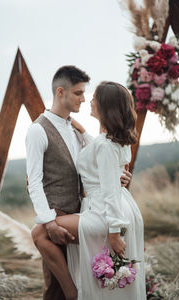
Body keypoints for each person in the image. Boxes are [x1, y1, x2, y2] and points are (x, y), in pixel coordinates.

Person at [30, 80, 146, 300]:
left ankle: (71, 293)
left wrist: (114, 232)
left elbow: (110, 189)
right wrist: (82, 130)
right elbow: (102, 158)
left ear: (105, 105)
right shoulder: (116, 140)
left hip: (105, 211)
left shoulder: (104, 144)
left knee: (39, 233)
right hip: (117, 207)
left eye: (94, 98)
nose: (89, 101)